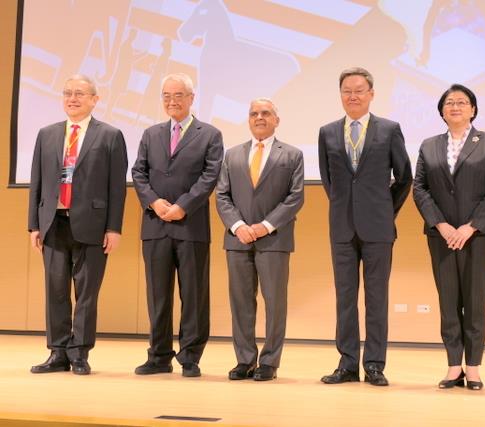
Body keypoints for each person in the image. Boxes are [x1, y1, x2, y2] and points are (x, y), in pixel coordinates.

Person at [318, 67, 413, 386]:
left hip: (378, 229)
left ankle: (374, 364)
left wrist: (385, 210)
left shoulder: (389, 129)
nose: (353, 96)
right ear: (340, 95)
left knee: (376, 298)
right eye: (347, 91)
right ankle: (347, 364)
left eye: (359, 90)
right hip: (342, 228)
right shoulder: (327, 132)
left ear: (371, 94)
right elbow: (329, 180)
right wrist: (345, 207)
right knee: (345, 298)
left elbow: (404, 177)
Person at [28, 74, 128, 375]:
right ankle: (58, 352)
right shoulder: (47, 134)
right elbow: (37, 182)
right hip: (53, 223)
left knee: (86, 293)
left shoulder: (110, 135)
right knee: (55, 291)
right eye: (68, 93)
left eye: (80, 94)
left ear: (95, 100)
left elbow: (116, 188)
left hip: (93, 225)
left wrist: (114, 228)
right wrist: (34, 225)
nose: (72, 98)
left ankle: (79, 353)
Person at [413, 84, 485, 390]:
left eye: (462, 102)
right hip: (441, 236)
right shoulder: (429, 145)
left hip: (478, 235)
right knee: (448, 301)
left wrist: (470, 226)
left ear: (473, 109)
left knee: (475, 302)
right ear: (442, 111)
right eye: (449, 102)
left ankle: (474, 367)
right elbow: (420, 188)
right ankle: (454, 366)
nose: (455, 106)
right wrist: (441, 225)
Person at [131, 73, 224, 377]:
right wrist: (153, 202)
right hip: (155, 224)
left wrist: (183, 205)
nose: (172, 101)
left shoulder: (210, 134)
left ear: (191, 98)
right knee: (157, 295)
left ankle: (190, 357)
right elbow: (139, 173)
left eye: (178, 95)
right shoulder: (151, 134)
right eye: (167, 95)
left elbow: (210, 176)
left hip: (191, 225)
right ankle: (158, 356)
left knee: (193, 295)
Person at [216, 98, 304, 382]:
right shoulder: (232, 155)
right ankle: (244, 360)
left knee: (275, 303)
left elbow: (295, 197)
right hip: (238, 240)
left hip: (274, 239)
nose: (259, 117)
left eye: (266, 113)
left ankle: (269, 362)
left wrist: (265, 226)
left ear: (277, 119)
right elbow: (222, 196)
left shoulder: (292, 155)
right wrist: (238, 226)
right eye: (254, 113)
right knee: (241, 302)